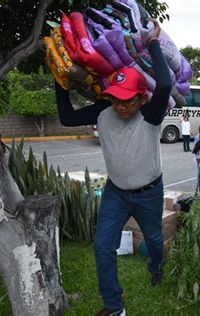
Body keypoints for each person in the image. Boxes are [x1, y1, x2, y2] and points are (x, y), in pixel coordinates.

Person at [55, 20, 169, 316]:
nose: (121, 106)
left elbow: (167, 85)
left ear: (141, 98)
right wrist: (60, 77)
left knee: (155, 240)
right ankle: (114, 305)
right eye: (116, 99)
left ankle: (156, 269)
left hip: (149, 193)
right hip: (116, 193)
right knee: (103, 247)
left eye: (127, 101)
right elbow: (67, 118)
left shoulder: (150, 114)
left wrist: (153, 43)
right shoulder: (104, 112)